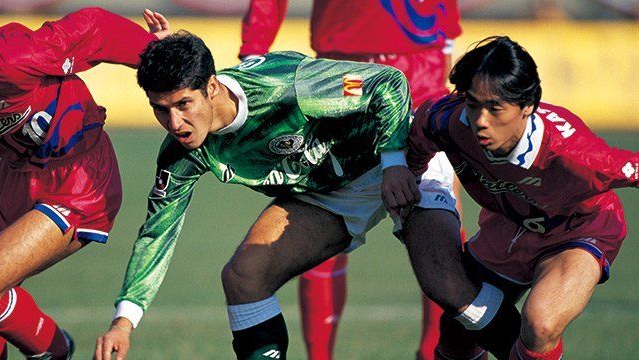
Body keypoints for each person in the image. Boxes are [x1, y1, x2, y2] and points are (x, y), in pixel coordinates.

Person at [92, 31, 460, 360]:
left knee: (449, 287)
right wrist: (124, 320)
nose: (174, 124)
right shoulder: (182, 153)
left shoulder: (292, 87)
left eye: (183, 104)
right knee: (244, 277)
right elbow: (157, 233)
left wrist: (395, 162)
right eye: (161, 109)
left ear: (212, 88)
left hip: (402, 158)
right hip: (329, 193)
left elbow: (385, 83)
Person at [239, 1, 463, 359]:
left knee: (439, 232)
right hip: (344, 74)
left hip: (421, 72)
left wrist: (445, 55)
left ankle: (434, 353)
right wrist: (252, 54)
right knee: (317, 220)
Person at [403, 36, 638, 360]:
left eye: (495, 108)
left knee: (540, 323)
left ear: (527, 106)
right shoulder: (450, 121)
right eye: (473, 105)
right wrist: (404, 175)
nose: (481, 120)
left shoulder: (575, 155)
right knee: (458, 332)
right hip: (511, 225)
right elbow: (419, 138)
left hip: (578, 229)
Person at [0, 7, 170, 360]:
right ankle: (53, 349)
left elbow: (96, 27)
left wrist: (155, 52)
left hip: (79, 179)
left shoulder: (13, 57)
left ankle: (55, 351)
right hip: (14, 174)